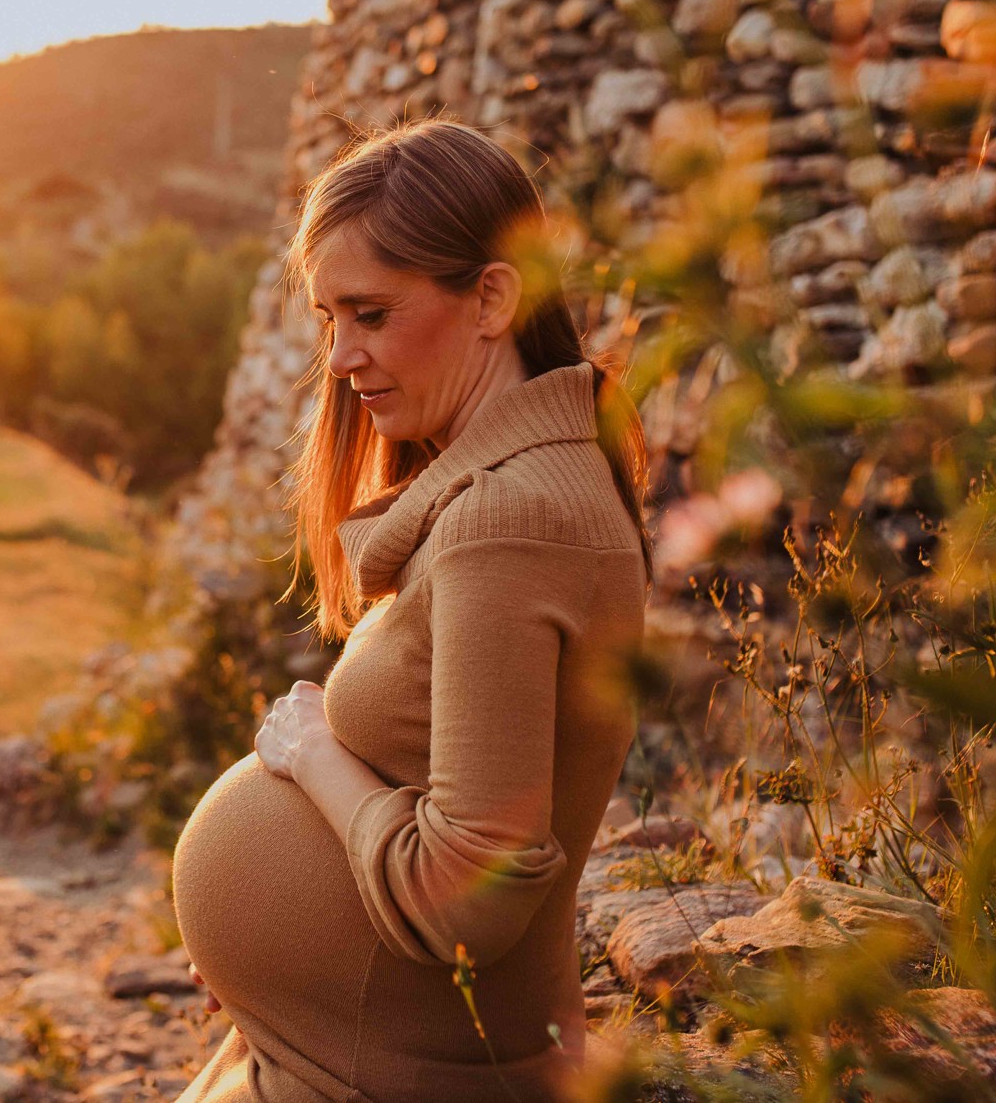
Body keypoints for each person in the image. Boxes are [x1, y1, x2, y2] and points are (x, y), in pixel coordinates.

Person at [171, 119, 651, 1102]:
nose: (340, 356)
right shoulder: (519, 490)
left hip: (387, 1076)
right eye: (326, 320)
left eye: (371, 314)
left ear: (489, 297)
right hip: (344, 1044)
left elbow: (467, 899)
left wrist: (311, 753)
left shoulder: (505, 521)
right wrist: (277, 960)